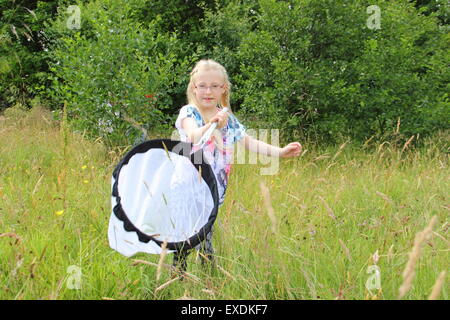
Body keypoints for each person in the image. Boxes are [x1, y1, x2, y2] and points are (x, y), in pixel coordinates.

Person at [173, 59, 302, 273]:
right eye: (202, 85)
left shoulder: (228, 118)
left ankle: (208, 280)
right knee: (184, 236)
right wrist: (212, 124)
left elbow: (249, 142)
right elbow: (193, 136)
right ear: (194, 88)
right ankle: (177, 280)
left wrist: (280, 152)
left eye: (215, 86)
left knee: (207, 234)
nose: (208, 91)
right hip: (187, 186)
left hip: (213, 189)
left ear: (223, 89)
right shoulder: (189, 113)